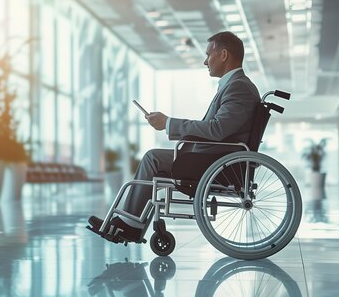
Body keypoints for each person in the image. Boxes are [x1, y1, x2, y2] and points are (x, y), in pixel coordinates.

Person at [88, 31, 260, 242]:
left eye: (208, 55)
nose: (205, 61)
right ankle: (130, 223)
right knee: (155, 158)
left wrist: (169, 122)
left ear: (223, 55)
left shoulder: (238, 87)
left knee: (153, 158)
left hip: (215, 162)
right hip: (216, 157)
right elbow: (220, 129)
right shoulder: (236, 86)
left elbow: (217, 129)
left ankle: (129, 225)